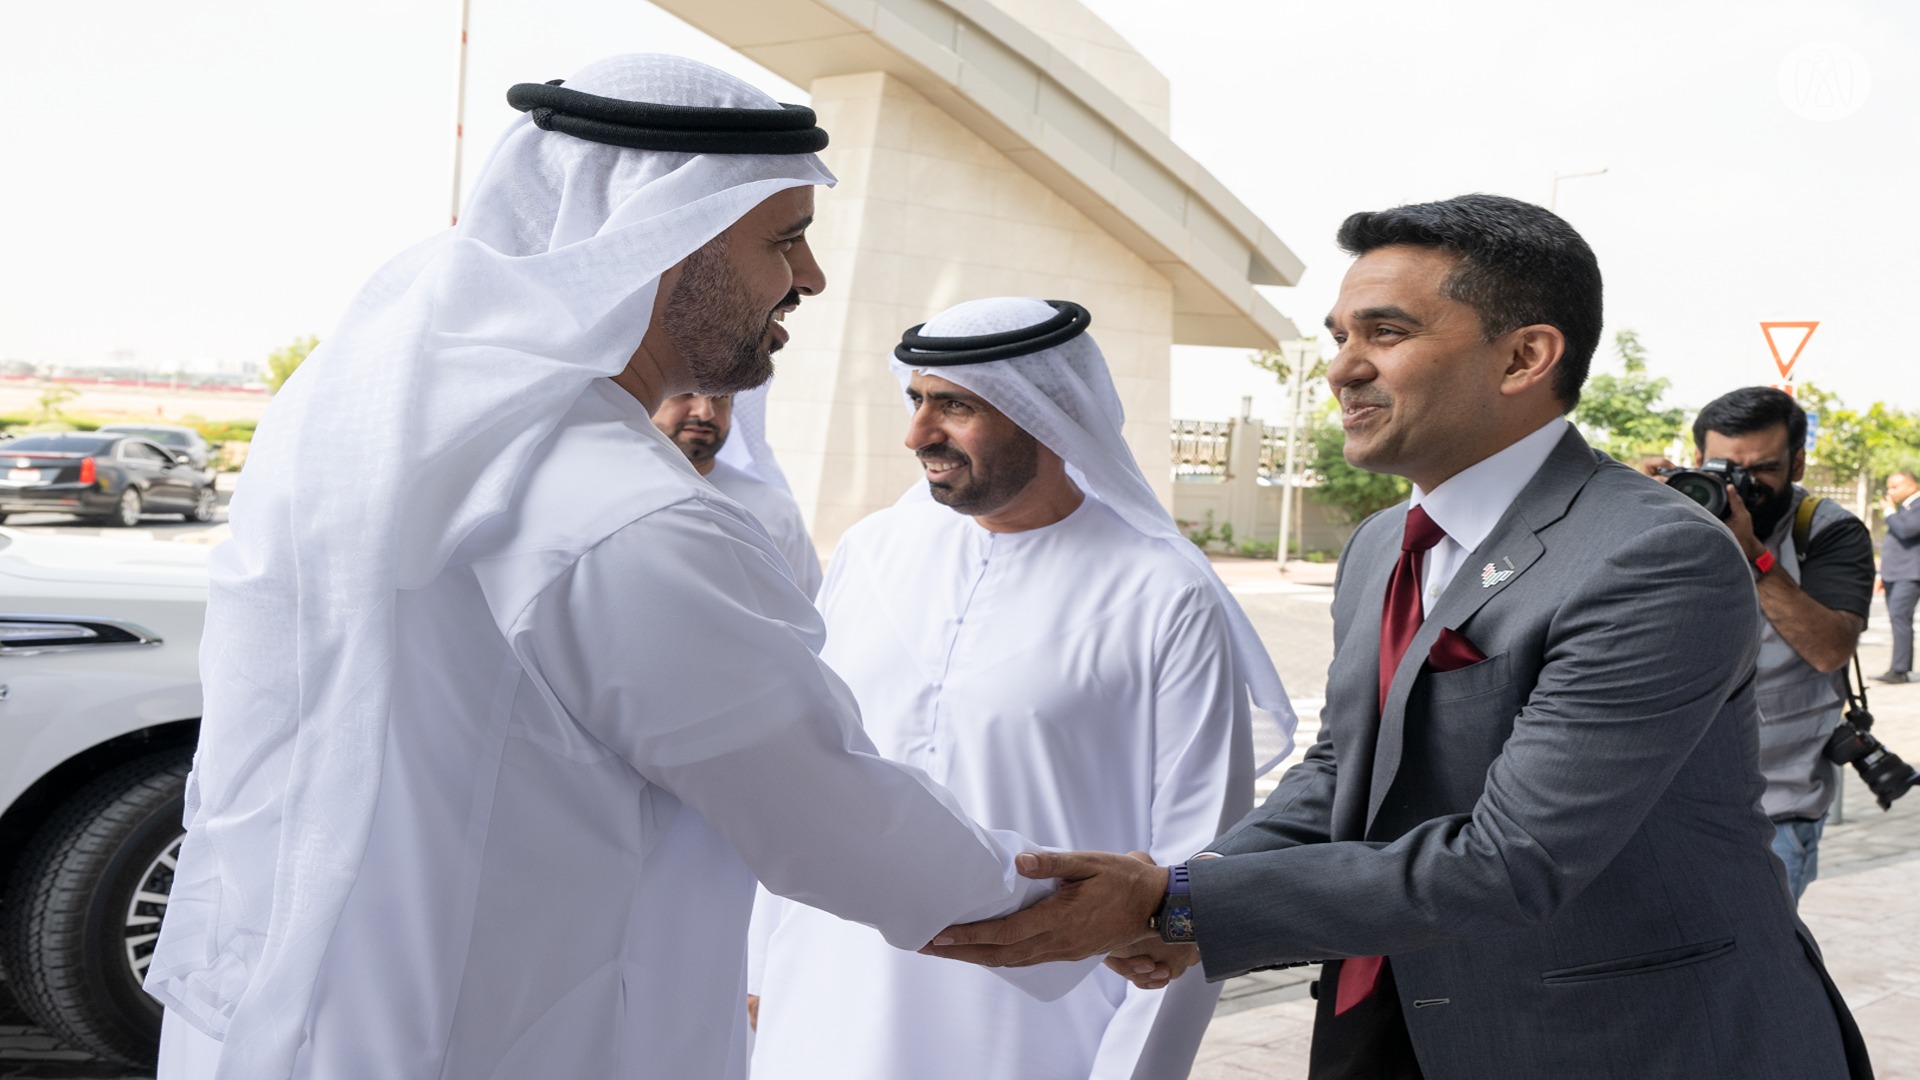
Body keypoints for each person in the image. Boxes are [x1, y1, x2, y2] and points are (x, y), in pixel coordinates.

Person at [144, 56, 1066, 1080]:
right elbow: (828, 815)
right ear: (663, 240)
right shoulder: (630, 512)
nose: (807, 279)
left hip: (266, 1022)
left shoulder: (356, 431)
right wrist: (1101, 907)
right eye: (784, 239)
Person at [923, 194, 1874, 1079]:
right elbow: (1344, 771)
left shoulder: (1652, 553)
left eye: (1387, 331)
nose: (1341, 366)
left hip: (1624, 1038)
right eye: (1340, 335)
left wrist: (1174, 903)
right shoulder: (1384, 544)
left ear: (1523, 357)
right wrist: (1189, 886)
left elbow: (1518, 858)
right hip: (1390, 1014)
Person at [748, 297, 1294, 1080]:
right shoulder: (871, 554)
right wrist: (762, 977)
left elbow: (1191, 864)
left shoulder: (1161, 590)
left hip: (1038, 1039)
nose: (918, 435)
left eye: (954, 406)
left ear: (1047, 411)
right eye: (916, 400)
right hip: (820, 1011)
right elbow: (806, 782)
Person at [1687, 388, 1874, 901]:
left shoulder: (1829, 530)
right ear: (1698, 459)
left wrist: (1753, 556)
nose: (1742, 483)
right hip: (1669, 805)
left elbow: (1830, 649)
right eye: (1725, 466)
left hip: (1776, 811)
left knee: (1753, 970)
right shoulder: (1671, 513)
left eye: (1764, 468)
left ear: (1797, 462)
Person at [651, 385, 823, 597]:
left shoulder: (775, 507)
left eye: (720, 397)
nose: (705, 412)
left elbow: (808, 602)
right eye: (686, 394)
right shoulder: (614, 488)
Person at [1878, 470, 1920, 684]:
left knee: (1900, 618)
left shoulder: (1917, 506)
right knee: (1897, 619)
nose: (1890, 492)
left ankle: (1900, 669)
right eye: (1888, 487)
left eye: (1895, 487)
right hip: (1895, 574)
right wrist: (1883, 574)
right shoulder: (1904, 508)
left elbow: (1906, 531)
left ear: (1912, 486)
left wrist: (1889, 513)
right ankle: (1898, 667)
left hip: (1910, 574)